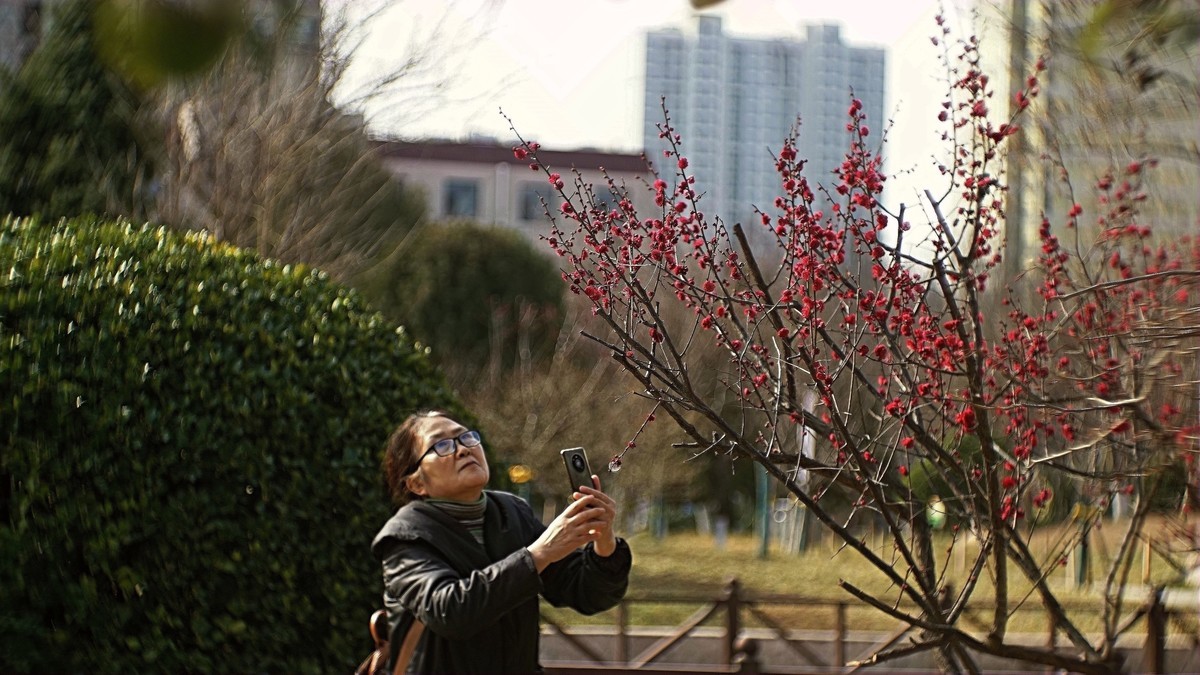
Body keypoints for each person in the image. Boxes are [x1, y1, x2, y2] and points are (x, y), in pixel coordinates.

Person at [372, 410, 632, 674]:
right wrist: (538, 554)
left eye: (467, 438)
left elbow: (586, 594)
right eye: (441, 445)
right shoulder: (405, 536)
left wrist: (604, 540)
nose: (463, 449)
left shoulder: (512, 512)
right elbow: (449, 611)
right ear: (416, 483)